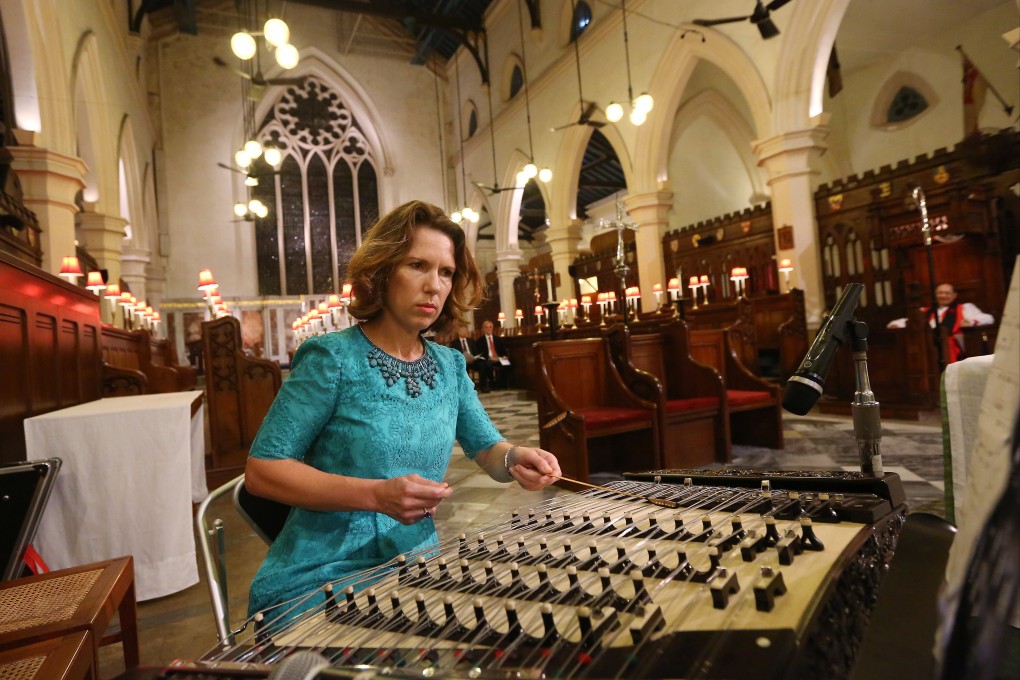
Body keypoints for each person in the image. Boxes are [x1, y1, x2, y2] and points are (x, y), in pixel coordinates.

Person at [243, 200, 561, 618]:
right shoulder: (332, 358)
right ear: (382, 271)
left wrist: (517, 458)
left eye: (445, 272)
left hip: (414, 567)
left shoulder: (448, 366)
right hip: (320, 574)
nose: (434, 285)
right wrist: (374, 494)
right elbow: (263, 470)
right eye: (417, 265)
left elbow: (487, 450)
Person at [886, 283, 995, 363]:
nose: (943, 296)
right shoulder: (926, 310)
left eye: (947, 293)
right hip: (927, 346)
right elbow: (906, 321)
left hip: (952, 347)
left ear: (954, 295)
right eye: (940, 293)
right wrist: (895, 325)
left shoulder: (964, 308)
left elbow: (988, 318)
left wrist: (970, 321)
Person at [475, 319, 510, 391]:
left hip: (499, 358)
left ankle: (502, 384)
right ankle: (492, 383)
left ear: (492, 328)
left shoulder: (498, 339)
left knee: (508, 364)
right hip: (488, 359)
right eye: (486, 327)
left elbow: (503, 351)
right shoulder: (480, 340)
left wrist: (504, 356)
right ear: (483, 329)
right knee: (487, 364)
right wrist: (490, 358)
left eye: (490, 327)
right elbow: (480, 354)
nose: (488, 329)